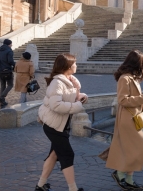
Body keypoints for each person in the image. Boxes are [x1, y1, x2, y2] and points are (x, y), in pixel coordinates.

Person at [36, 53, 88, 191]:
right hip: (54, 125)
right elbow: (56, 105)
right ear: (68, 66)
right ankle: (73, 189)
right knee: (67, 154)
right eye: (74, 63)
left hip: (61, 124)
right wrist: (77, 106)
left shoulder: (68, 80)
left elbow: (69, 97)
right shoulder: (57, 83)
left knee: (54, 154)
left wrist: (81, 97)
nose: (76, 65)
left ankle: (40, 185)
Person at [106, 50, 143, 191]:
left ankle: (129, 179)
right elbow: (123, 100)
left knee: (133, 149)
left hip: (135, 116)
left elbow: (135, 95)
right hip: (127, 118)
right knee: (140, 147)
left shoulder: (133, 78)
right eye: (142, 64)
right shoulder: (124, 78)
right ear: (135, 64)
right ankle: (120, 173)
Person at [0, 39, 15, 108]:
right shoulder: (9, 51)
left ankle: (2, 102)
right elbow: (10, 61)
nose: (11, 45)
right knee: (10, 85)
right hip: (7, 71)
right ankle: (1, 97)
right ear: (9, 44)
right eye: (11, 44)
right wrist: (15, 64)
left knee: (2, 85)